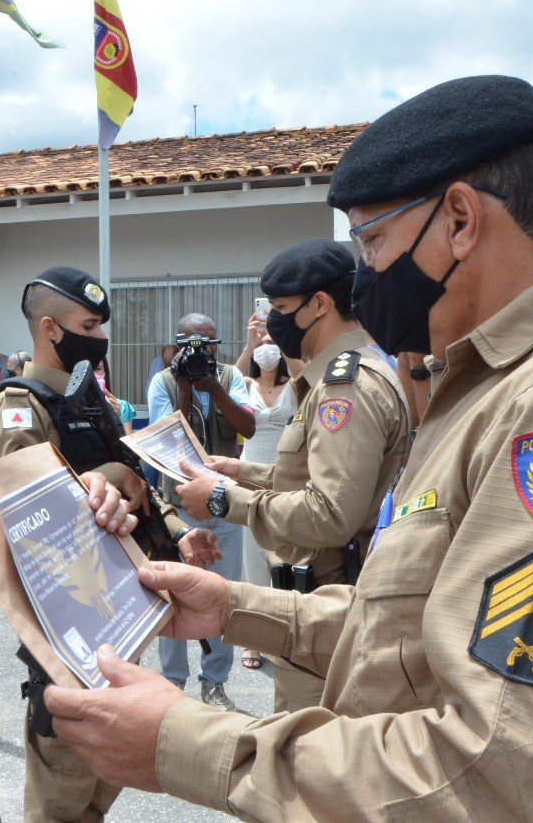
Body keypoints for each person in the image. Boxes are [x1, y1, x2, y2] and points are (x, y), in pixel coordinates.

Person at [42, 74, 533, 821]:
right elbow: (422, 630)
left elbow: (501, 778)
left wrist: (183, 742)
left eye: (372, 241)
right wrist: (235, 608)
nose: (365, 275)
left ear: (460, 220)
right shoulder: (495, 385)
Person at [0, 266, 218, 823]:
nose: (100, 337)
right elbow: (27, 514)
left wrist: (177, 535)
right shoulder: (18, 407)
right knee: (62, 792)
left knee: (100, 784)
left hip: (118, 612)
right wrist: (109, 474)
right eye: (88, 326)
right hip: (70, 628)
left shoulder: (89, 400)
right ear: (50, 328)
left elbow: (135, 483)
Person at [175, 238, 411, 712]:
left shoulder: (345, 388)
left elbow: (330, 513)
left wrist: (224, 499)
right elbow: (322, 476)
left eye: (282, 309)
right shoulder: (337, 378)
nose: (273, 324)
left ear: (319, 304)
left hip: (330, 610)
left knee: (306, 746)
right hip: (323, 607)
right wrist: (241, 472)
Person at [147, 313, 257, 711]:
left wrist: (213, 387)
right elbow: (167, 439)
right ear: (177, 345)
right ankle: (173, 683)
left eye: (208, 342)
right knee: (173, 595)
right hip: (178, 511)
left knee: (225, 596)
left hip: (224, 507)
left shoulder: (231, 376)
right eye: (192, 342)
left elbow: (249, 426)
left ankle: (214, 684)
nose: (201, 350)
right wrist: (184, 388)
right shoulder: (163, 381)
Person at [234, 324, 296, 671]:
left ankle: (285, 635)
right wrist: (249, 343)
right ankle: (253, 641)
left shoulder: (294, 386)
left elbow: (310, 378)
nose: (267, 348)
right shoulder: (246, 383)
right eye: (264, 343)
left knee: (286, 555)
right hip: (250, 476)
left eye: (273, 342)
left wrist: (284, 344)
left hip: (286, 476)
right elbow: (225, 383)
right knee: (253, 555)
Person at [94, 359, 136, 432]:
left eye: (97, 368)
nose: (90, 374)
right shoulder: (73, 407)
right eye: (84, 369)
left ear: (105, 371)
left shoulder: (122, 406)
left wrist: (115, 418)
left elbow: (127, 438)